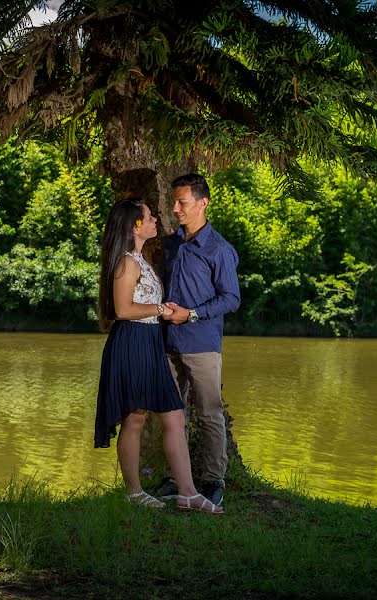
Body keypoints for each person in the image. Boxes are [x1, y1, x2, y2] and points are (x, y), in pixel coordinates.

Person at [94, 197, 223, 514]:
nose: (156, 220)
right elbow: (123, 310)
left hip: (150, 342)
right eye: (150, 216)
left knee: (175, 416)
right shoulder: (126, 262)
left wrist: (161, 312)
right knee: (134, 419)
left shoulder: (140, 259)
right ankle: (135, 492)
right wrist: (160, 309)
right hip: (132, 343)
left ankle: (188, 493)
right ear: (135, 225)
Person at [157, 174, 241, 507]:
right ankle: (176, 478)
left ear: (202, 203)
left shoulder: (219, 249)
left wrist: (190, 314)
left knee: (209, 414)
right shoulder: (171, 243)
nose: (175, 209)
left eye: (182, 203)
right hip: (167, 343)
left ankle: (213, 481)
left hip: (202, 344)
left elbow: (231, 298)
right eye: (174, 202)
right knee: (170, 414)